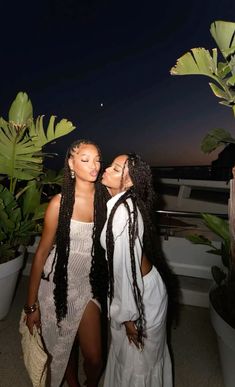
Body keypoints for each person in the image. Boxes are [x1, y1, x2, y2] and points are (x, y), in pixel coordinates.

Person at [24, 139, 110, 387]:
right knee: (63, 345)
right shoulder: (59, 204)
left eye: (97, 159)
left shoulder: (105, 199)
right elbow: (41, 254)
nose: (94, 166)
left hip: (88, 284)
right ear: (71, 164)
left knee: (94, 358)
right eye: (85, 160)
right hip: (56, 284)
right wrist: (31, 306)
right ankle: (72, 382)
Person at [100, 153, 173, 387]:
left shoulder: (122, 214)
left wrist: (128, 318)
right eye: (110, 165)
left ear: (130, 181)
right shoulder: (122, 204)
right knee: (132, 356)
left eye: (115, 168)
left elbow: (125, 272)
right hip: (141, 288)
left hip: (141, 295)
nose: (107, 169)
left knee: (137, 361)